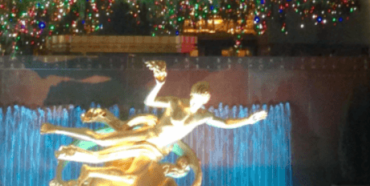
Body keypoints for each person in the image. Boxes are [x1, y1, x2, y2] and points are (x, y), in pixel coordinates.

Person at [41, 61, 266, 168]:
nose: (197, 103)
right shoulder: (176, 103)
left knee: (104, 156)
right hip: (148, 134)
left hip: (157, 149)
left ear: (207, 100)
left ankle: (72, 153)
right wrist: (160, 83)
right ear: (191, 94)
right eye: (195, 98)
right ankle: (55, 129)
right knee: (101, 138)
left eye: (201, 100)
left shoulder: (203, 116)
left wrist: (248, 120)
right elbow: (149, 101)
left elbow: (226, 123)